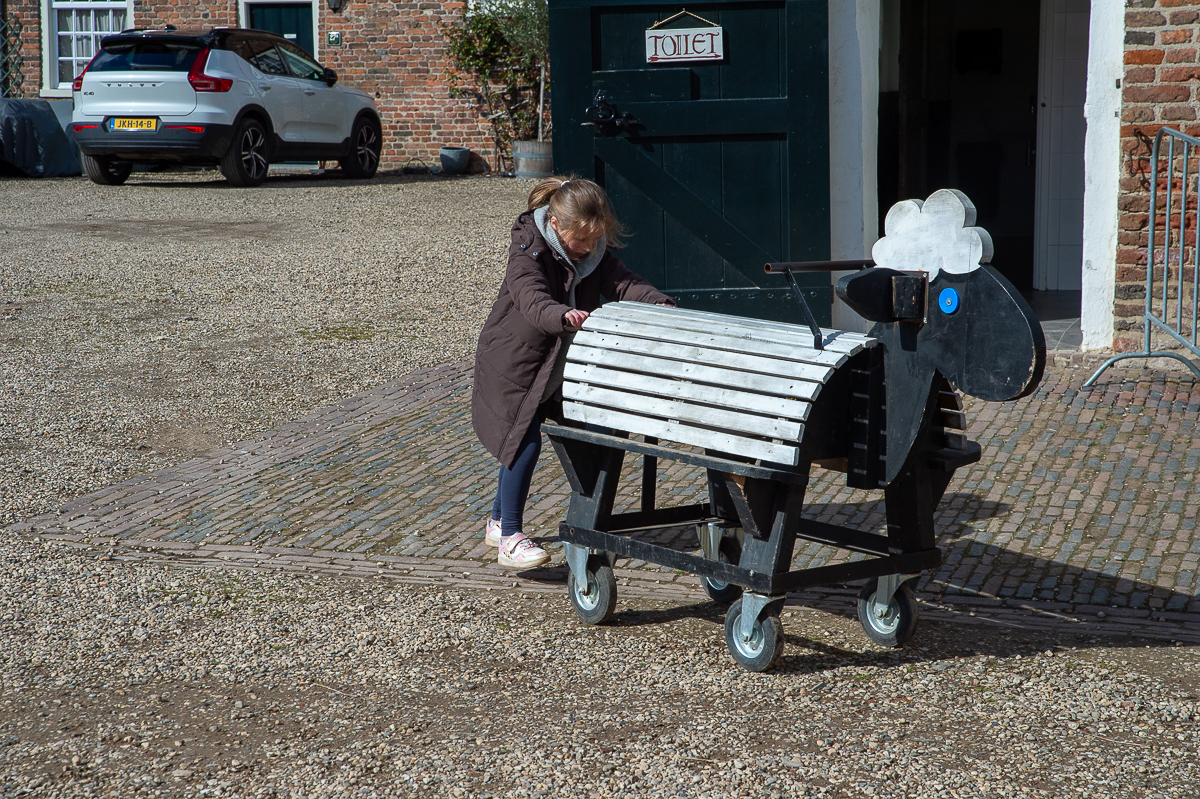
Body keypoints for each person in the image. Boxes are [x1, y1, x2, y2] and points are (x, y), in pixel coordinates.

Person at [471, 176, 675, 569]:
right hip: (514, 364)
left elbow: (624, 283)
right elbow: (530, 296)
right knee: (523, 442)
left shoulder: (592, 252)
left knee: (563, 437)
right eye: (580, 239)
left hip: (557, 368)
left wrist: (659, 304)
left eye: (595, 239)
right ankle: (510, 538)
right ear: (556, 225)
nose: (588, 248)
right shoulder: (528, 250)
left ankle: (497, 520)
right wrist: (561, 315)